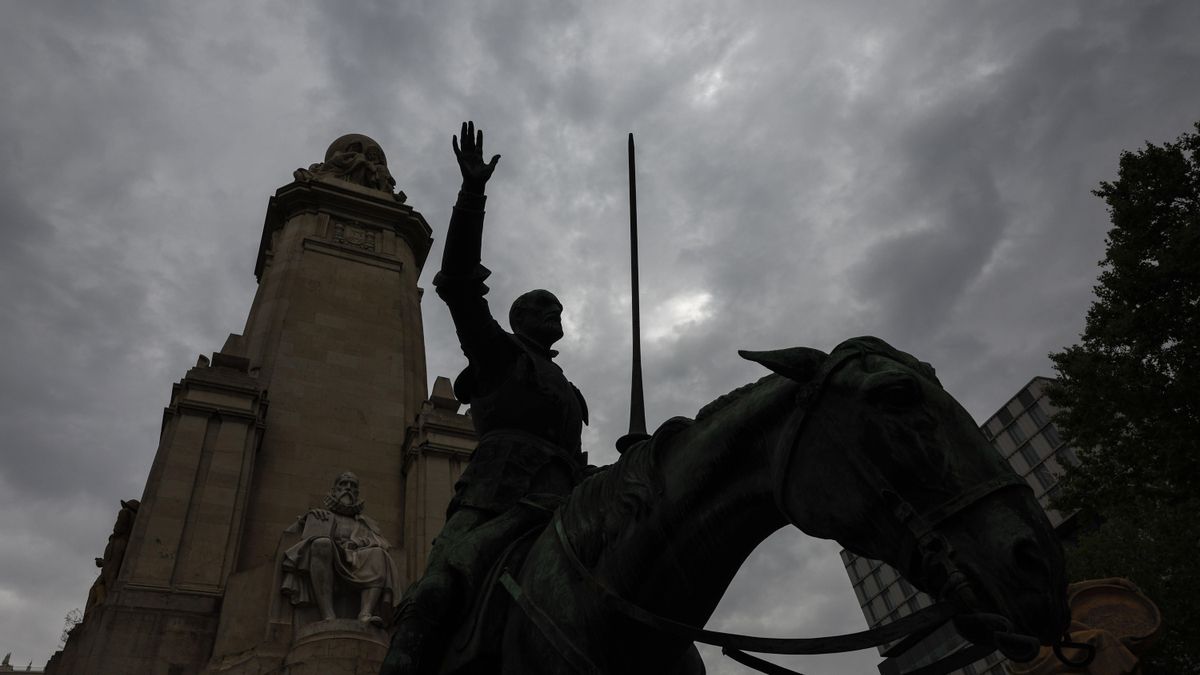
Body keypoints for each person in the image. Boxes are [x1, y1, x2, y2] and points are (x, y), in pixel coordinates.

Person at [382, 122, 589, 675]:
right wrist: (472, 195)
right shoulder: (500, 355)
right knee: (439, 585)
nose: (556, 316)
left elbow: (576, 459)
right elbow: (456, 284)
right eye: (545, 308)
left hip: (568, 502)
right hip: (498, 499)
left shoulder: (568, 391)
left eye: (560, 311)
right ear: (520, 318)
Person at [281, 471, 401, 625]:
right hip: (331, 557)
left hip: (357, 558)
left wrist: (361, 542)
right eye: (343, 484)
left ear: (357, 493)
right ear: (334, 491)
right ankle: (328, 614)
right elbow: (290, 536)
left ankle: (365, 613)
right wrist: (304, 521)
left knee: (379, 554)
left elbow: (382, 543)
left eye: (352, 486)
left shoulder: (365, 522)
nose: (348, 488)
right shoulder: (322, 515)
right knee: (321, 544)